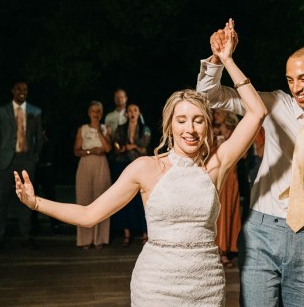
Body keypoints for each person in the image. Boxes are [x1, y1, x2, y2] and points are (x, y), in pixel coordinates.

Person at [14, 19, 267, 306]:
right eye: (181, 120)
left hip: (206, 286)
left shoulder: (215, 165)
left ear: (207, 127)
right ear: (169, 127)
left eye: (198, 120)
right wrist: (36, 203)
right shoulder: (146, 168)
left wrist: (226, 61)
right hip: (156, 287)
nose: (190, 129)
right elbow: (90, 214)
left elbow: (257, 111)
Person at [197, 43, 304, 306]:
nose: (296, 88)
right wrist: (218, 59)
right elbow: (211, 96)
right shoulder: (276, 102)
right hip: (260, 233)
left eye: (303, 78)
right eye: (290, 80)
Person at [0, 81, 43, 252]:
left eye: (25, 89)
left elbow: (39, 137)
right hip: (6, 160)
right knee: (1, 200)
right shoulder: (1, 111)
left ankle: (26, 235)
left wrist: (35, 157)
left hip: (26, 159)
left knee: (27, 200)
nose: (22, 91)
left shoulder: (35, 111)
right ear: (12, 91)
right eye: (19, 89)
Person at [111, 102, 151, 246]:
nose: (133, 113)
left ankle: (145, 233)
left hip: (139, 166)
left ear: (139, 113)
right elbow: (115, 147)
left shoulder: (144, 129)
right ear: (126, 114)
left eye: (135, 110)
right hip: (123, 165)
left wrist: (133, 146)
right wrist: (121, 148)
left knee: (141, 201)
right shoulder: (121, 129)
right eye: (130, 111)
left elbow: (144, 150)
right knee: (125, 200)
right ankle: (126, 233)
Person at [73, 101, 112, 249]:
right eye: (93, 111)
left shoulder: (105, 128)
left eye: (98, 112)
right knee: (84, 200)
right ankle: (85, 240)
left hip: (101, 165)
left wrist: (98, 131)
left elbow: (108, 148)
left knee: (102, 201)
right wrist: (90, 151)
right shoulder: (82, 129)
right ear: (89, 113)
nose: (96, 114)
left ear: (101, 114)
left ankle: (100, 239)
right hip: (85, 165)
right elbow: (76, 151)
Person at [212, 108, 242, 268]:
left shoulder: (234, 132)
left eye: (217, 113)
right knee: (217, 213)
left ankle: (225, 249)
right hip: (216, 175)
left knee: (228, 212)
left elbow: (242, 154)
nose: (214, 115)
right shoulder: (211, 131)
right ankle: (217, 250)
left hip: (230, 176)